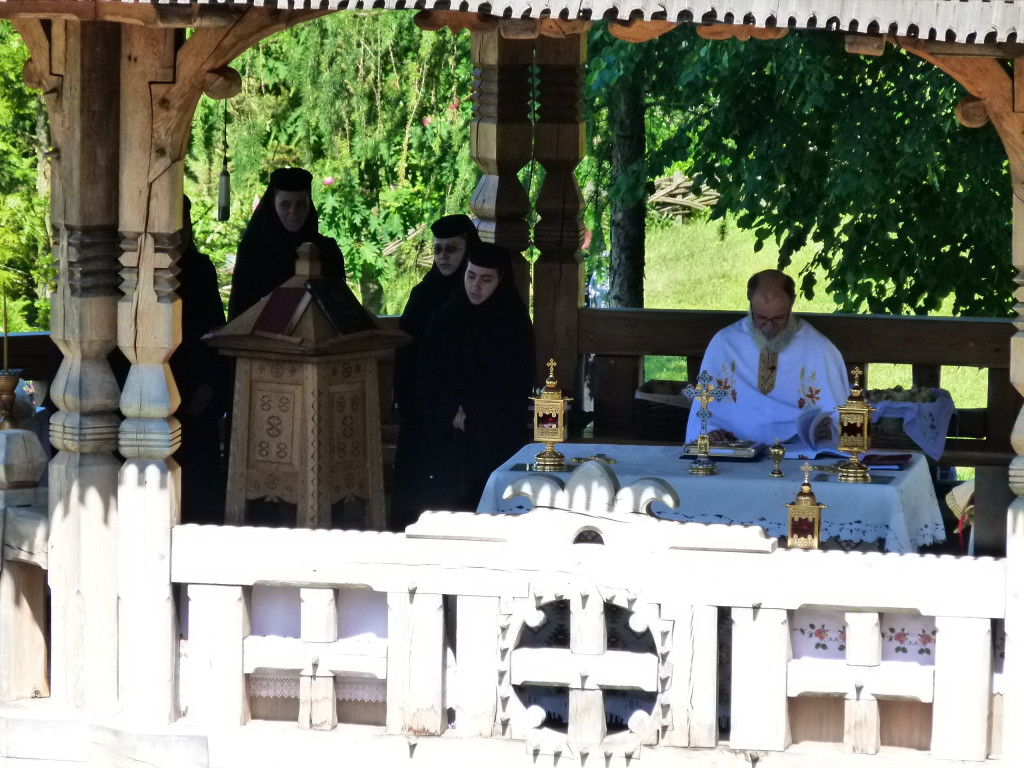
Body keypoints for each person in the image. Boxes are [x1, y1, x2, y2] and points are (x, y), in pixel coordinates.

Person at [413, 242, 535, 515]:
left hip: (495, 436)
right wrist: (452, 408)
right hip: (448, 435)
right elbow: (428, 376)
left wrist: (475, 413)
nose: (475, 286)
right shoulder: (446, 317)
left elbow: (515, 383)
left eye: (485, 279)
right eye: (470, 276)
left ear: (500, 280)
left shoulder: (513, 323)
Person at [684, 269, 849, 446]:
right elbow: (705, 409)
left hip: (797, 453)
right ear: (749, 301)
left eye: (779, 319)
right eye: (761, 318)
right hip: (735, 451)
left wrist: (821, 431)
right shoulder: (725, 343)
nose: (769, 328)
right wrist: (710, 432)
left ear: (792, 303)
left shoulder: (819, 349)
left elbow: (840, 418)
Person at [390, 214, 479, 530]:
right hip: (421, 413)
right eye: (438, 249)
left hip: (462, 416)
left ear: (469, 251)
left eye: (452, 250)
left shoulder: (477, 295)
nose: (443, 257)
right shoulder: (423, 294)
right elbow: (407, 354)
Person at [171, 196, 229, 523]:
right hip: (154, 396)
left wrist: (209, 387)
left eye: (182, 222)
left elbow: (214, 334)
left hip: (198, 397)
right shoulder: (135, 274)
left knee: (200, 492)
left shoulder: (201, 269)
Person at [228, 167, 346, 320]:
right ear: (273, 205)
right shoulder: (252, 250)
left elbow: (341, 308)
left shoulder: (326, 250)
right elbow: (239, 313)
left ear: (309, 205)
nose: (293, 211)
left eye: (300, 205)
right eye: (285, 205)